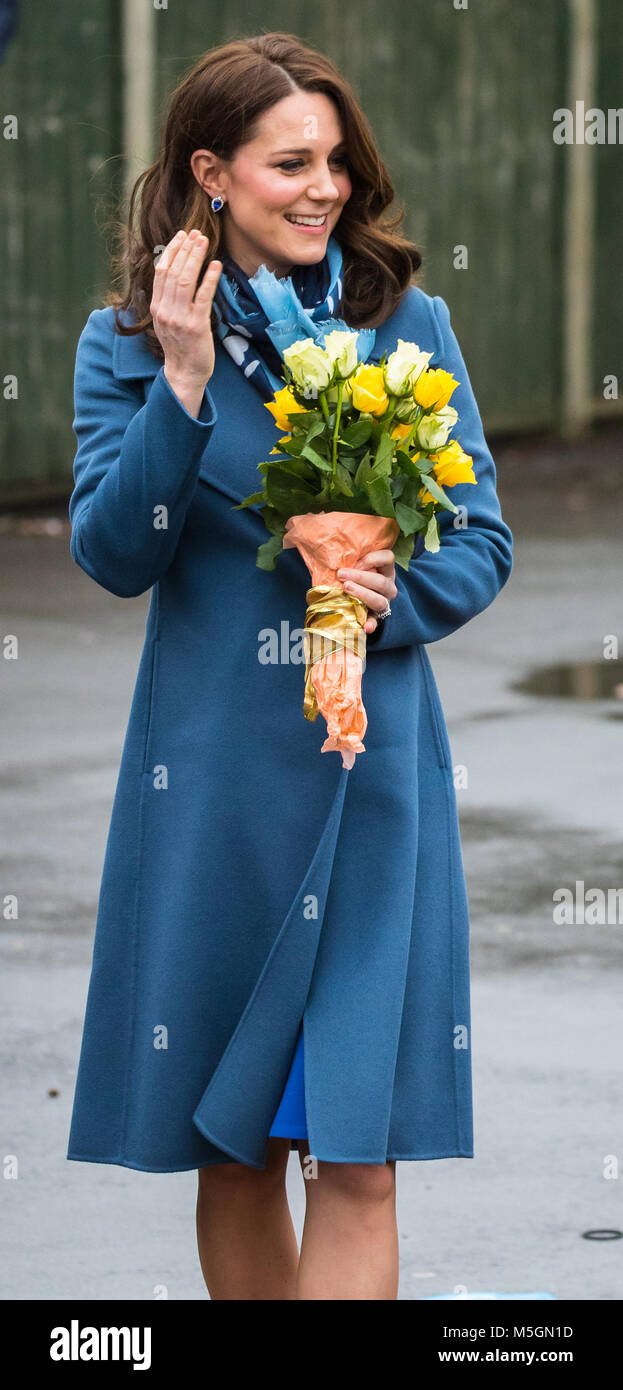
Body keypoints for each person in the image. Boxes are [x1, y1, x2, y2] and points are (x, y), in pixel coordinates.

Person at [66, 32, 513, 1301]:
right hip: (214, 793)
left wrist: (385, 597)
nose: (322, 188)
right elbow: (115, 553)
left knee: (359, 1159)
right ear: (211, 172)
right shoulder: (128, 342)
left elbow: (480, 537)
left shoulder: (404, 323)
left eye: (333, 161)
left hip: (372, 785)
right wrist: (185, 386)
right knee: (243, 1147)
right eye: (287, 164)